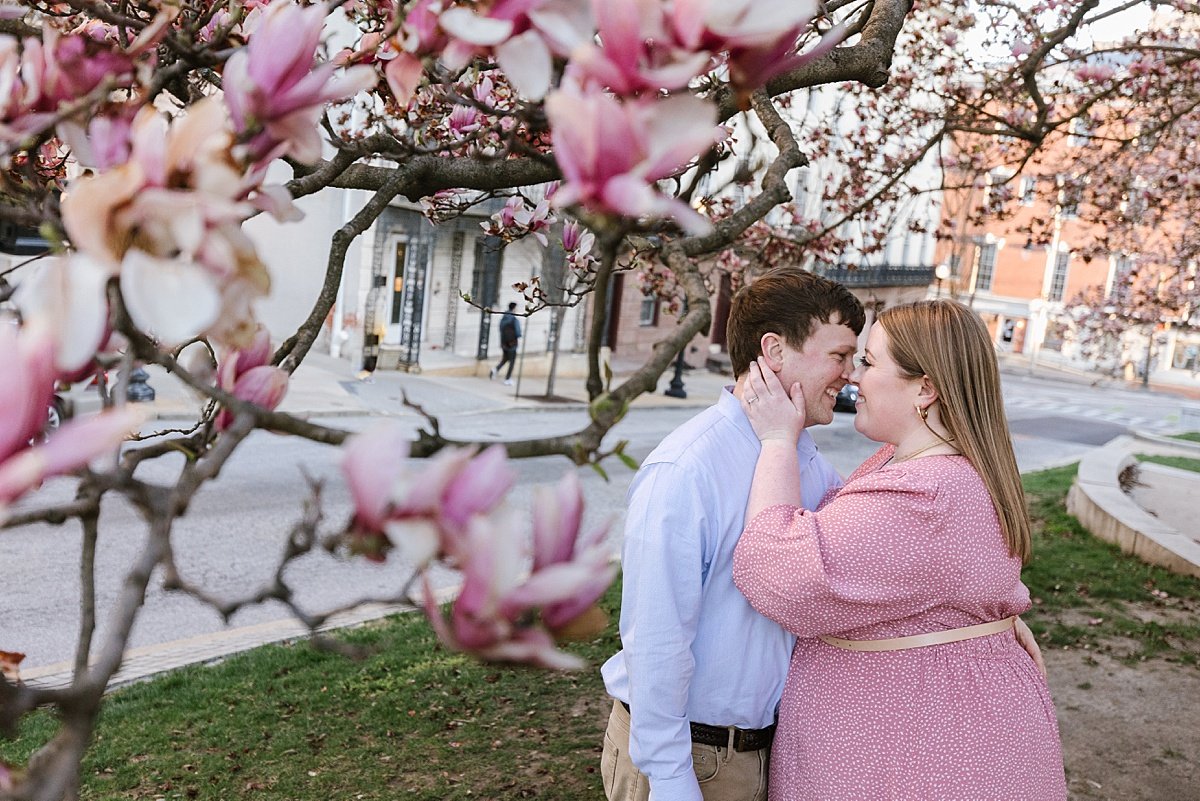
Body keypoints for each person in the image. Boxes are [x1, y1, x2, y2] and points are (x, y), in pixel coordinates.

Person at [732, 299, 1067, 800]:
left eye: (868, 362)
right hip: (937, 741)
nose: (852, 378)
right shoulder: (936, 469)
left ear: (925, 388)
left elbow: (778, 574)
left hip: (911, 759)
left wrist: (779, 438)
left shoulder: (923, 496)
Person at [600, 268, 866, 801]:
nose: (850, 374)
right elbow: (656, 643)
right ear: (774, 351)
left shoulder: (806, 463)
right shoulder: (686, 469)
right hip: (690, 760)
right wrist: (673, 784)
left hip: (770, 753)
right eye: (839, 356)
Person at [490, 302, 521, 385]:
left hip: (504, 343)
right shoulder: (514, 319)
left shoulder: (503, 318)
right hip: (512, 344)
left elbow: (500, 330)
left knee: (505, 359)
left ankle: (495, 369)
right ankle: (508, 378)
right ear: (514, 308)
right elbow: (518, 333)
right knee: (512, 361)